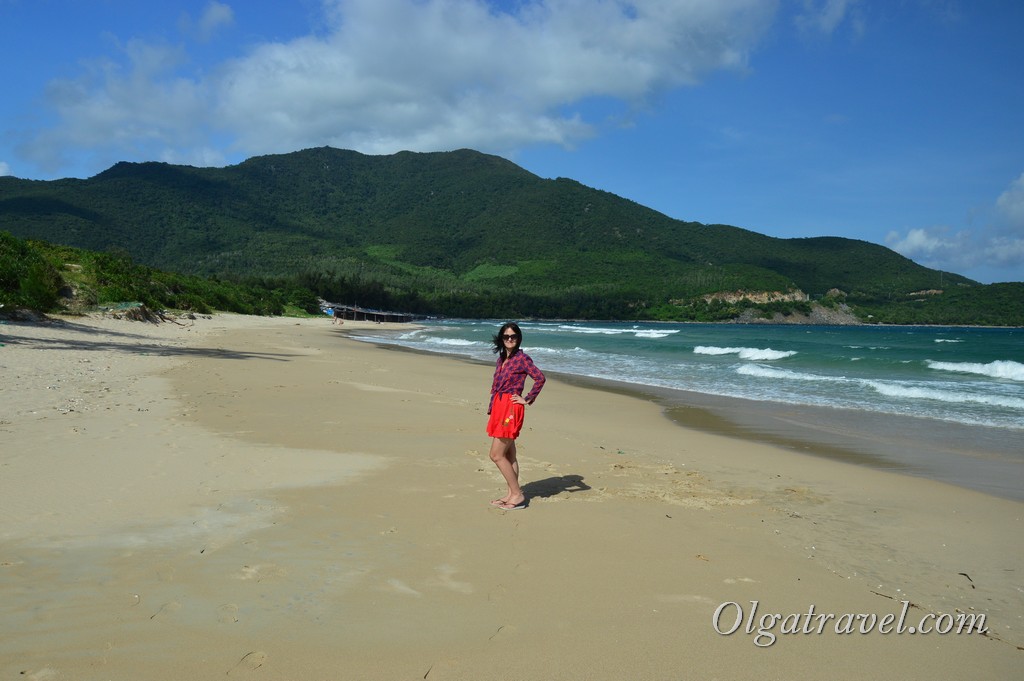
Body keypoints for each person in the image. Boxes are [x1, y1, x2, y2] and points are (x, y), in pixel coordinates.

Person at [486, 322, 545, 510]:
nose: (510, 339)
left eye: (513, 336)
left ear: (519, 338)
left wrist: (527, 399)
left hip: (510, 408)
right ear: (501, 339)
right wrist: (491, 408)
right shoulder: (502, 359)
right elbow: (496, 387)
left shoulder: (522, 358)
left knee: (496, 455)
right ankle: (511, 493)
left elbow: (540, 378)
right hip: (499, 406)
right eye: (506, 336)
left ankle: (517, 494)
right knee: (509, 454)